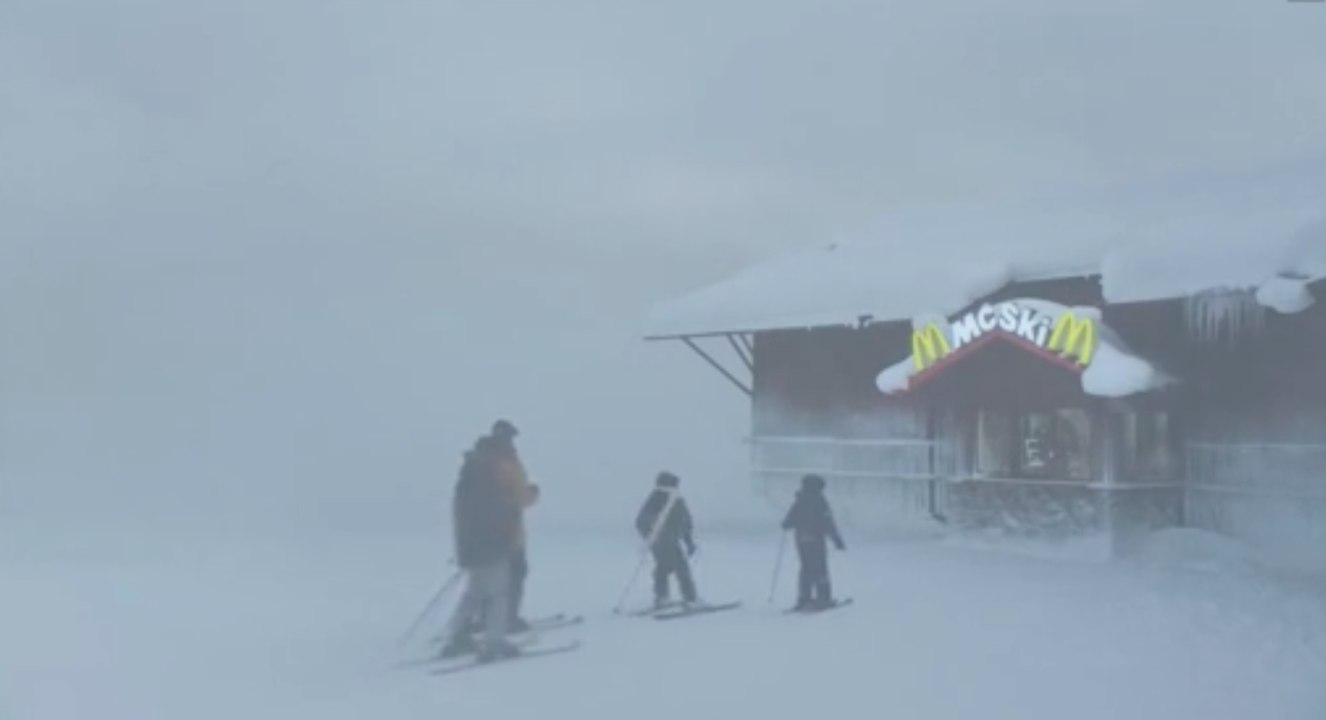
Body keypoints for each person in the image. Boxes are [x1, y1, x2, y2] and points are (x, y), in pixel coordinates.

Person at [437, 436, 523, 662]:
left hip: (472, 547)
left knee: (474, 595)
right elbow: (493, 514)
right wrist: (506, 530)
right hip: (490, 546)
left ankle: (456, 636)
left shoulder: (468, 477)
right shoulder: (486, 478)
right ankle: (494, 642)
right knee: (497, 595)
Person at [489, 419, 539, 631]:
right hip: (508, 531)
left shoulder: (490, 460)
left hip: (497, 530)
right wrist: (532, 494)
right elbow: (518, 496)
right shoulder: (506, 463)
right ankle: (507, 619)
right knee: (514, 574)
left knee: (494, 578)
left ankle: (489, 618)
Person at [781, 474, 846, 610]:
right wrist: (837, 540)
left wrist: (786, 524)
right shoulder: (820, 501)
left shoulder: (799, 501)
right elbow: (828, 523)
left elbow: (788, 522)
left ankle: (804, 598)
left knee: (805, 568)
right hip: (816, 540)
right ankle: (823, 599)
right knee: (821, 569)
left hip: (802, 541)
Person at [634, 471, 698, 609]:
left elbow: (640, 522)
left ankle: (661, 597)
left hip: (659, 541)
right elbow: (685, 522)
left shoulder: (659, 499)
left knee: (662, 567)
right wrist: (688, 542)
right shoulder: (667, 499)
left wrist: (650, 538)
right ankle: (691, 599)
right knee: (681, 568)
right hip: (666, 541)